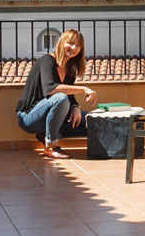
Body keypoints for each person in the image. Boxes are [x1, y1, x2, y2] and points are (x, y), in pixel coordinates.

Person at [16, 29, 97, 159]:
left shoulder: (70, 69)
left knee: (92, 119)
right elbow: (50, 89)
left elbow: (70, 96)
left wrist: (76, 107)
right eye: (70, 43)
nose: (74, 48)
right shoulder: (47, 61)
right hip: (29, 117)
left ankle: (47, 134)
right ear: (62, 43)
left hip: (52, 112)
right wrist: (84, 89)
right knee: (60, 98)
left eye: (78, 45)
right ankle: (50, 146)